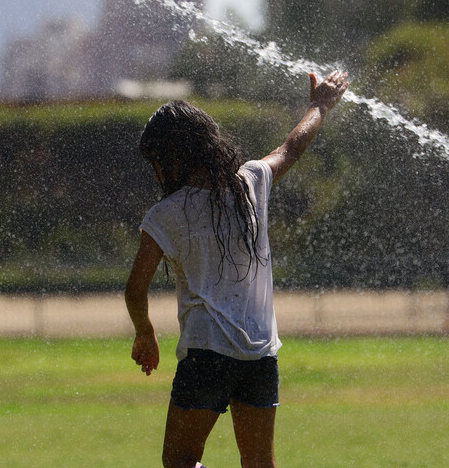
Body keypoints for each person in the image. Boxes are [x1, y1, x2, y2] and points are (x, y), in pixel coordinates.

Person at [125, 70, 350, 468]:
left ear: (174, 156)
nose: (157, 172)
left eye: (157, 161)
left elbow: (135, 288)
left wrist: (145, 333)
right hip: (261, 354)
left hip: (207, 354)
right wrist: (319, 106)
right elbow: (291, 148)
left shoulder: (167, 214)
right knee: (260, 463)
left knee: (179, 459)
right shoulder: (250, 183)